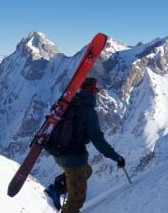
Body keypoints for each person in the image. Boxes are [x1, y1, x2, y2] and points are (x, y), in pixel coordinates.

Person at [44, 77, 125, 213]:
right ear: (92, 91)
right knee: (76, 200)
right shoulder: (88, 111)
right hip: (73, 157)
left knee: (87, 170)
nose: (97, 93)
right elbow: (98, 140)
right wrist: (117, 157)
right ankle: (56, 191)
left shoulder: (71, 102)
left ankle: (57, 189)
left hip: (59, 152)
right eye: (96, 90)